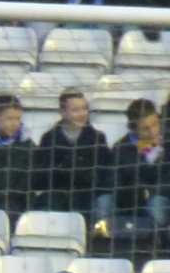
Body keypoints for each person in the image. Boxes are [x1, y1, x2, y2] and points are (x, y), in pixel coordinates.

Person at [31, 88, 113, 221]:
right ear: (62, 112)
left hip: (88, 195)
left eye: (84, 109)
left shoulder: (98, 138)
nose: (82, 114)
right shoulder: (49, 139)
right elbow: (40, 177)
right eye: (76, 110)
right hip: (57, 196)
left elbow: (104, 176)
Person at [100, 99, 170, 229]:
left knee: (156, 205)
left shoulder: (167, 142)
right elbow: (114, 183)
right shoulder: (121, 148)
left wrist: (150, 191)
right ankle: (103, 242)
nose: (153, 131)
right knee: (104, 201)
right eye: (145, 129)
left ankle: (156, 244)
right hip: (130, 200)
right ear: (133, 129)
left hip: (160, 198)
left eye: (155, 124)